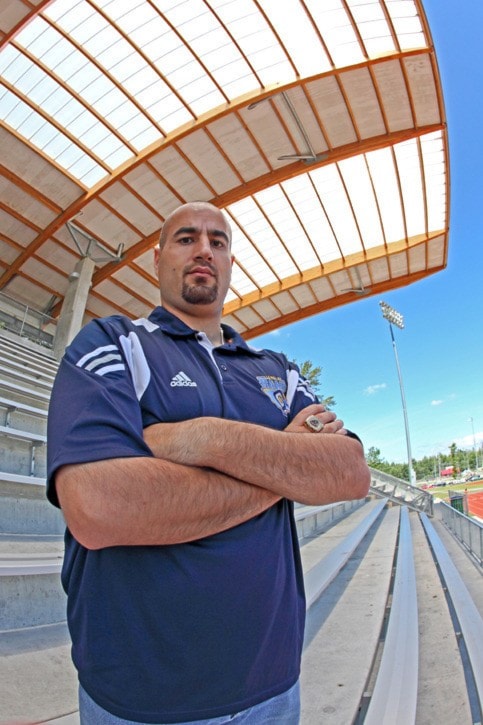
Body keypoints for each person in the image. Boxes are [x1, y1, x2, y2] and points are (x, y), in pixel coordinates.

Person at [47, 201, 370, 725]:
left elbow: (350, 471)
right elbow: (98, 507)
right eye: (186, 238)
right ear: (156, 260)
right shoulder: (112, 344)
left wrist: (200, 437)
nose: (204, 250)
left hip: (273, 688)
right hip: (142, 700)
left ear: (230, 264)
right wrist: (282, 466)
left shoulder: (277, 370)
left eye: (218, 242)